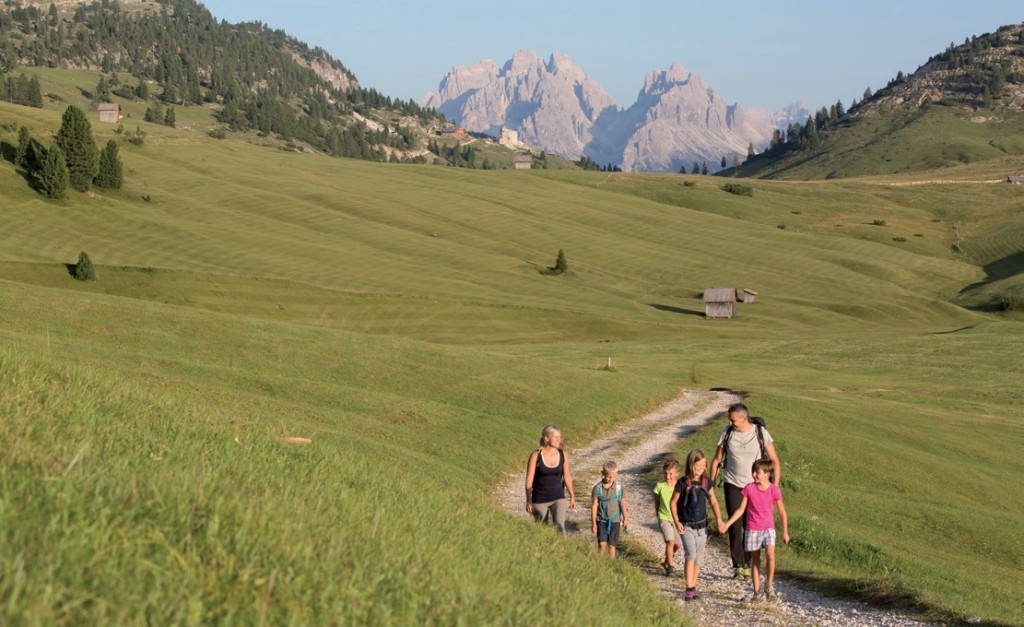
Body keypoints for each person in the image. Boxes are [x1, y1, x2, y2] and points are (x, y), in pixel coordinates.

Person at [709, 402, 781, 580]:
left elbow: (774, 460)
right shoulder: (727, 433)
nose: (730, 422)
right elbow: (717, 460)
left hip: (754, 487)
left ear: (744, 418)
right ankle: (738, 564)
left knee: (751, 527)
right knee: (735, 525)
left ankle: (748, 563)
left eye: (733, 420)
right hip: (733, 484)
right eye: (730, 419)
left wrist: (774, 486)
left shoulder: (759, 433)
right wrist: (711, 482)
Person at [721, 459, 790, 603]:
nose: (754, 474)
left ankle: (769, 586)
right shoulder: (749, 488)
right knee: (756, 560)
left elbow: (782, 512)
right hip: (752, 529)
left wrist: (785, 532)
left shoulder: (774, 490)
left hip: (768, 528)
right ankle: (757, 592)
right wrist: (727, 524)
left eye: (757, 472)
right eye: (753, 472)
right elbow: (740, 510)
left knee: (771, 555)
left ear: (767, 474)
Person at [670, 449, 725, 601]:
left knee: (699, 559)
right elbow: (673, 502)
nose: (700, 468)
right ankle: (688, 587)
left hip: (702, 526)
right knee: (691, 555)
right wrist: (676, 521)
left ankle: (693, 586)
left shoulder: (707, 483)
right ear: (691, 464)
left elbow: (713, 501)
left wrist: (719, 519)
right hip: (686, 525)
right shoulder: (682, 482)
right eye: (697, 465)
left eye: (702, 465)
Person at [525, 424, 576, 533]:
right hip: (539, 499)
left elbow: (567, 476)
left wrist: (572, 496)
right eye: (555, 437)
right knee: (541, 529)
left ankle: (562, 550)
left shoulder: (563, 454)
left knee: (560, 526)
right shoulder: (536, 455)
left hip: (558, 497)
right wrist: (528, 500)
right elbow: (529, 479)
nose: (559, 439)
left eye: (560, 437)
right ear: (546, 438)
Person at [591, 460, 628, 557]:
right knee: (602, 544)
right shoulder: (597, 488)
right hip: (601, 520)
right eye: (608, 476)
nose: (611, 479)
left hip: (615, 520)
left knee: (612, 545)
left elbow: (623, 503)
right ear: (603, 473)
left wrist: (625, 519)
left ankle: (611, 563)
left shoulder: (619, 488)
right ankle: (600, 563)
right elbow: (594, 506)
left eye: (614, 476)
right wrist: (594, 523)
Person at [652, 458, 683, 575]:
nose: (668, 476)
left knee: (678, 544)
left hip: (676, 519)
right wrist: (658, 515)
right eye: (665, 473)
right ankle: (670, 567)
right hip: (664, 517)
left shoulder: (680, 487)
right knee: (670, 541)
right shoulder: (660, 486)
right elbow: (657, 502)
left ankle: (668, 557)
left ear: (677, 474)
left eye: (671, 474)